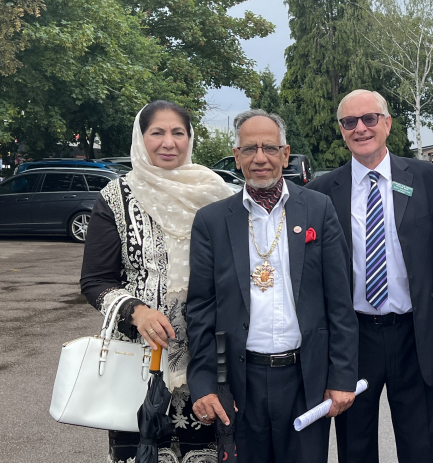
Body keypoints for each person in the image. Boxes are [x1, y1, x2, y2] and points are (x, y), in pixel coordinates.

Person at [186, 109, 359, 463]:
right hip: (239, 381)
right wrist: (203, 382)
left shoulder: (318, 208)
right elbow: (201, 308)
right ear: (236, 157)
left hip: (304, 380)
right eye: (250, 149)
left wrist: (342, 375)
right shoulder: (213, 221)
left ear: (285, 152)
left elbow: (339, 300)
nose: (260, 158)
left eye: (269, 148)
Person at [307, 90, 433, 463]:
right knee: (354, 446)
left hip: (413, 334)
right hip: (353, 339)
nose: (361, 128)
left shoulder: (425, 178)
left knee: (420, 444)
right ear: (341, 131)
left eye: (370, 118)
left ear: (387, 123)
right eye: (349, 122)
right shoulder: (321, 193)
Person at [80, 100, 233, 463]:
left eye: (178, 132)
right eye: (157, 133)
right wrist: (137, 312)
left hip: (206, 361)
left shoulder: (216, 194)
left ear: (190, 137)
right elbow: (95, 281)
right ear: (140, 138)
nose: (169, 142)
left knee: (206, 454)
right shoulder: (116, 198)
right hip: (140, 361)